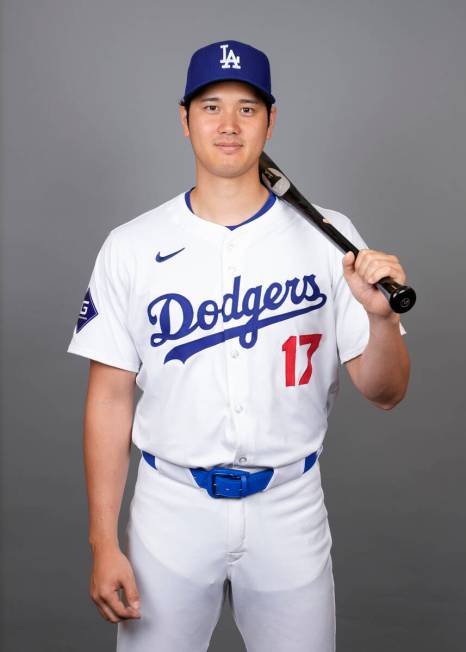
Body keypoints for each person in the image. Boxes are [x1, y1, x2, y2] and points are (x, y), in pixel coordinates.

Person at [67, 39, 410, 652]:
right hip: (170, 508)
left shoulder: (332, 239)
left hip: (290, 505)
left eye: (248, 109)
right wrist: (103, 540)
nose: (228, 125)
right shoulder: (131, 244)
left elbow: (385, 393)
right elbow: (110, 399)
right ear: (185, 118)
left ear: (271, 121)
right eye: (211, 107)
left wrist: (381, 320)